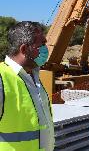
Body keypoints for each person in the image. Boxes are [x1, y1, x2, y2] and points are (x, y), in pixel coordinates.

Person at [0, 21, 54, 151]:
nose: (46, 49)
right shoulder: (2, 79)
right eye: (42, 44)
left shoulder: (33, 76)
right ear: (24, 49)